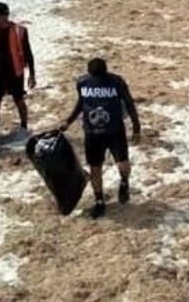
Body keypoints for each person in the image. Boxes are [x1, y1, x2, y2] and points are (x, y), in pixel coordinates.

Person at [59, 58, 141, 218]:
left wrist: (68, 121)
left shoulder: (99, 82)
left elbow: (128, 103)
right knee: (106, 166)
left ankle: (112, 191)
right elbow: (82, 103)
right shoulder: (102, 82)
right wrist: (68, 121)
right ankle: (110, 193)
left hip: (104, 131)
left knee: (110, 166)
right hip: (102, 132)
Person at [0, 2, 35, 149]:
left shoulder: (19, 31)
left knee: (19, 101)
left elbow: (28, 53)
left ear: (4, 16)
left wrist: (32, 75)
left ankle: (24, 128)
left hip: (14, 72)